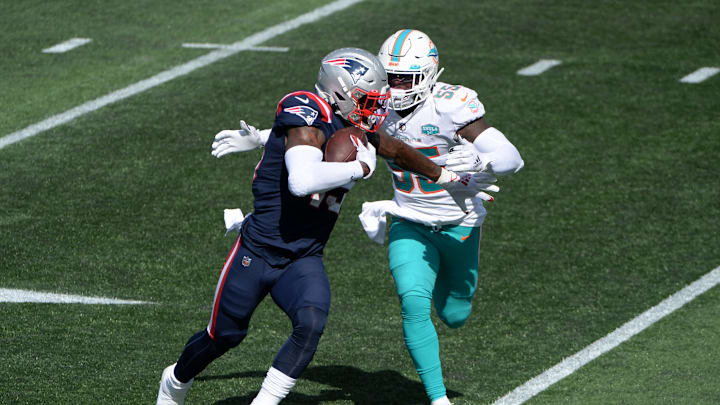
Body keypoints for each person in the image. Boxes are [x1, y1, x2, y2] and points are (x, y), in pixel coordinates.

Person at [157, 47, 492, 405]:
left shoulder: (352, 125)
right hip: (259, 249)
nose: (376, 108)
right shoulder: (304, 106)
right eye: (367, 99)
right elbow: (301, 180)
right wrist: (357, 169)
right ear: (340, 89)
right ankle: (174, 383)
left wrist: (450, 176)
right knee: (224, 335)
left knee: (311, 323)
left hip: (304, 255)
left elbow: (397, 150)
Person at [358, 29, 525, 405]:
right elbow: (333, 136)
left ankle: (441, 283)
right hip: (408, 219)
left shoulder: (451, 105)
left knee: (454, 314)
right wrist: (275, 139)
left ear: (428, 75)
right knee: (413, 302)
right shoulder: (373, 104)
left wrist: (484, 160)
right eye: (390, 76)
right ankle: (438, 399)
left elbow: (513, 158)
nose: (396, 86)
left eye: (405, 78)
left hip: (460, 224)